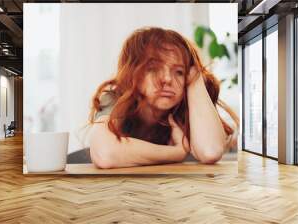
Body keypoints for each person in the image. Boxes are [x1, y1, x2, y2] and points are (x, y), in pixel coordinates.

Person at [88, 27, 239, 169]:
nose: (167, 79)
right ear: (133, 73)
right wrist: (176, 153)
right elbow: (104, 153)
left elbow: (210, 151)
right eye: (153, 69)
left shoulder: (187, 104)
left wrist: (195, 76)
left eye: (179, 72)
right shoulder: (116, 98)